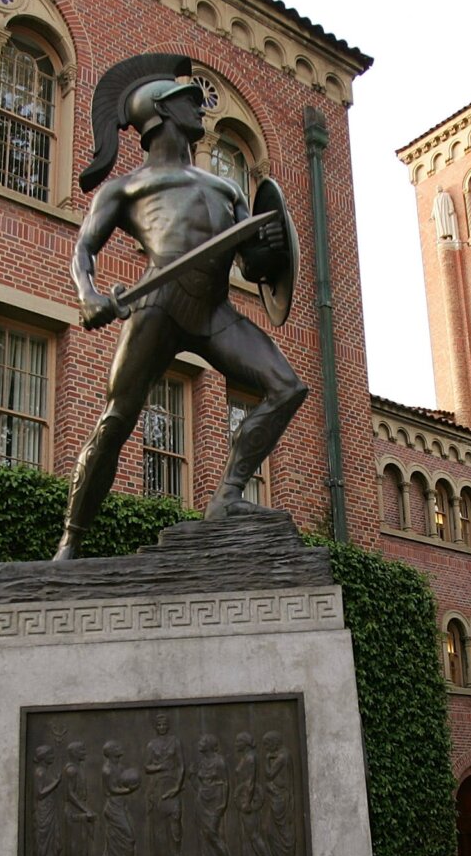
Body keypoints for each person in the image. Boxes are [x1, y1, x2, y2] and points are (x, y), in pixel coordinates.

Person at [53, 53, 304, 561]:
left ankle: (228, 496)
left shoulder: (227, 188)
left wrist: (272, 241)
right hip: (157, 306)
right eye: (191, 103)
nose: (201, 112)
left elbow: (254, 265)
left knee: (287, 387)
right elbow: (83, 250)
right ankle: (70, 540)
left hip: (214, 310)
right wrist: (89, 295)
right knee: (118, 418)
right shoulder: (126, 188)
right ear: (164, 112)